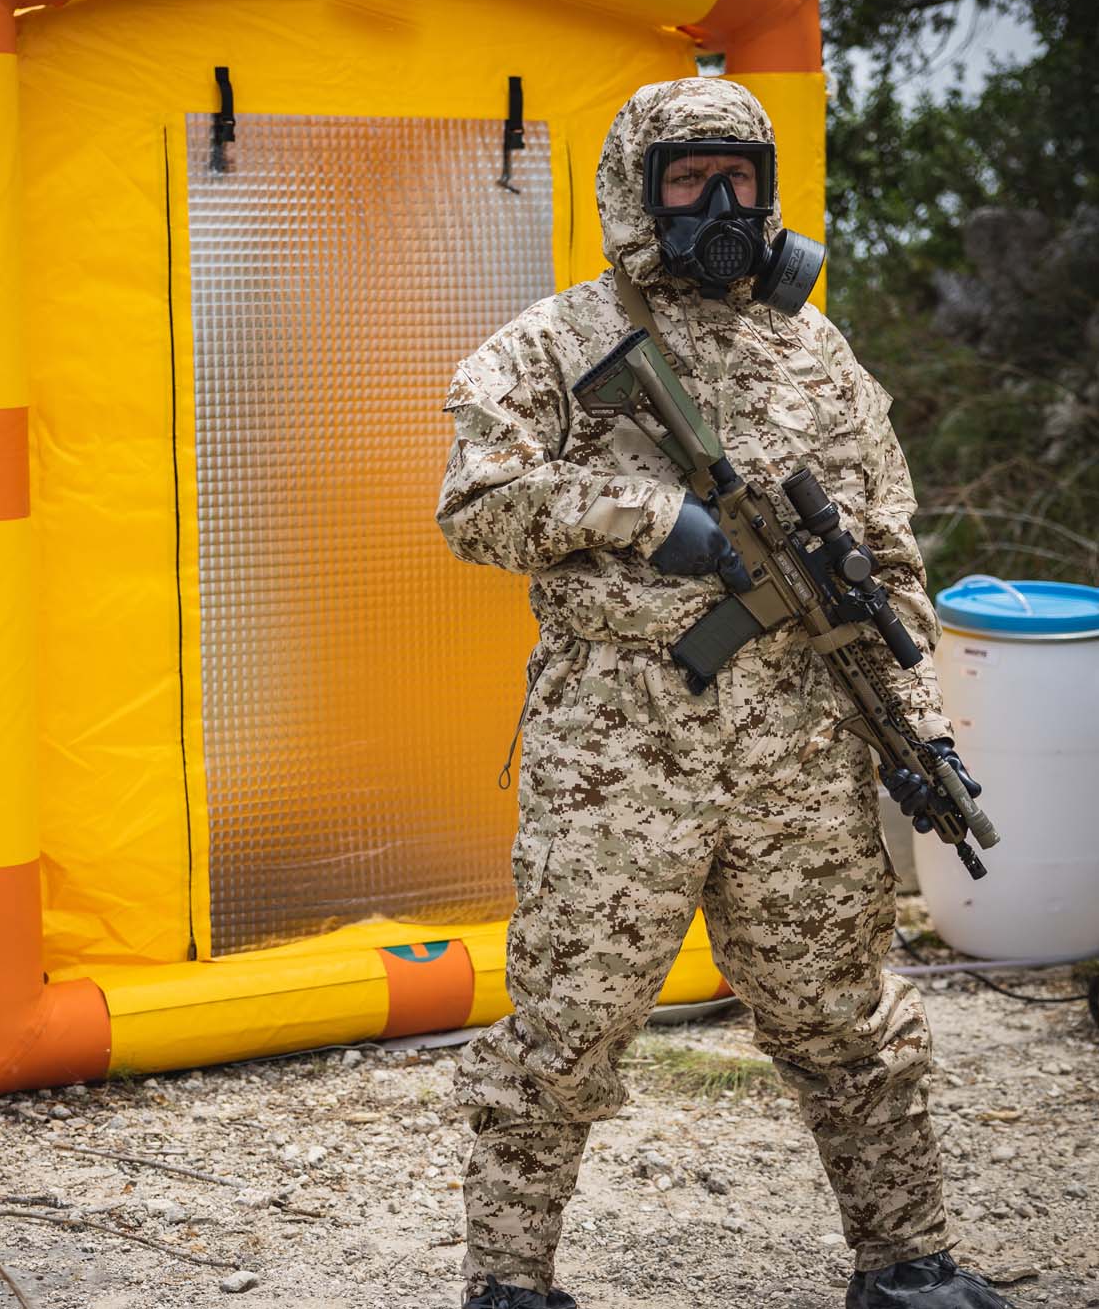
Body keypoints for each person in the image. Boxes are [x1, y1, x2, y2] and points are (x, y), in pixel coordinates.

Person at [434, 78, 1013, 1309]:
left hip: (801, 749)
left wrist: (914, 722)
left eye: (739, 179)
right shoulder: (553, 342)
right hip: (619, 753)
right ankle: (509, 1281)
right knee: (566, 1030)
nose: (719, 203)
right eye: (689, 179)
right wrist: (653, 519)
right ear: (638, 192)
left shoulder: (817, 347)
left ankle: (907, 1265)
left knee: (847, 1022)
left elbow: (889, 558)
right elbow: (475, 508)